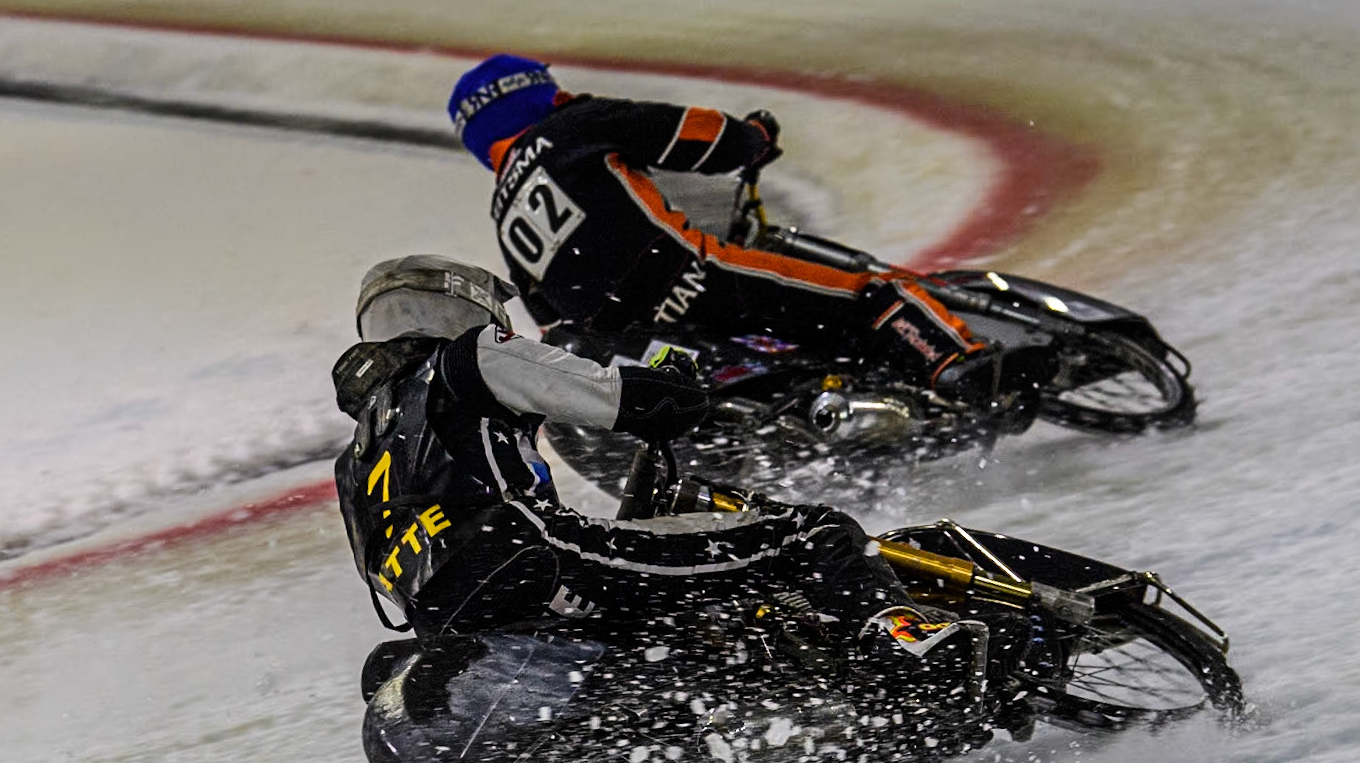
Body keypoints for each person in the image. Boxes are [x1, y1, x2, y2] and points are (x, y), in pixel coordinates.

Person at [332, 256, 1008, 724]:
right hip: (531, 560)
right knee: (808, 536)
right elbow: (631, 400)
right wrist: (676, 377)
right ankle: (904, 640)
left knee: (662, 604)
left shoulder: (358, 454)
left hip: (453, 621)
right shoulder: (471, 356)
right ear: (462, 309)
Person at [445, 54, 1008, 401]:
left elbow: (545, 311)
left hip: (640, 334)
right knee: (869, 295)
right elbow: (697, 135)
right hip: (692, 274)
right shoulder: (573, 125)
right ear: (535, 93)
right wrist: (753, 137)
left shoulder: (504, 206)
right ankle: (960, 365)